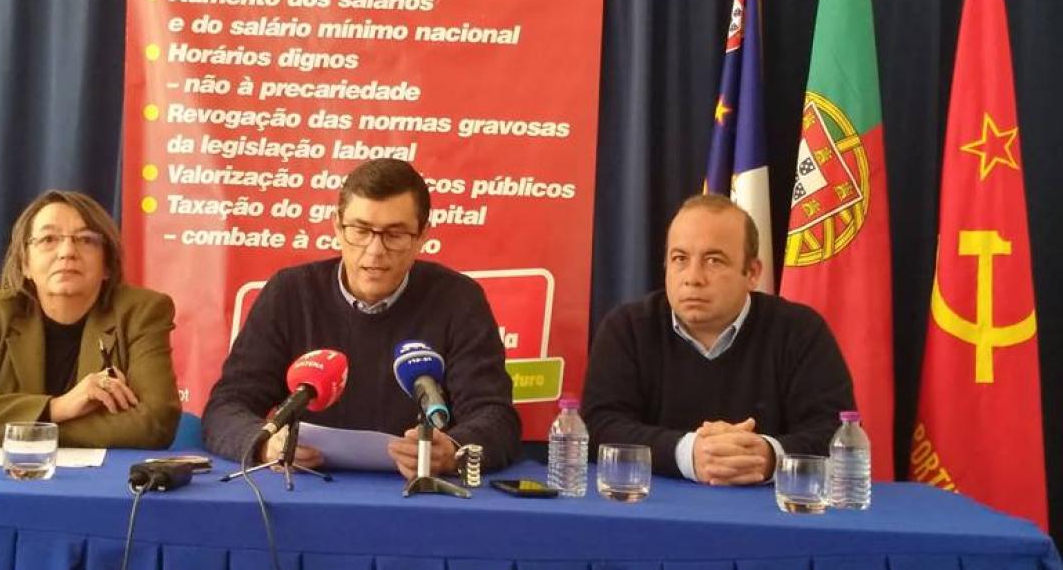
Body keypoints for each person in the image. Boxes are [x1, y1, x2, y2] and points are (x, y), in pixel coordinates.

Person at [203, 158, 520, 478]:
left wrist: (452, 451)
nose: (375, 250)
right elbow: (226, 407)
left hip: (417, 493)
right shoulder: (290, 293)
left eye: (395, 234)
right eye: (360, 230)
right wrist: (265, 444)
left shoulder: (458, 300)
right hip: (306, 488)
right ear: (337, 227)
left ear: (422, 235)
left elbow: (495, 417)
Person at [582, 194, 854, 485]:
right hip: (655, 505)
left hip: (768, 508)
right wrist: (689, 453)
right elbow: (599, 427)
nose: (693, 278)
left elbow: (838, 434)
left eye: (713, 261)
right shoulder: (627, 329)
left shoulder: (800, 331)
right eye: (680, 259)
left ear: (752, 273)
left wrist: (768, 456)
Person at [0, 190, 181, 448]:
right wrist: (57, 408)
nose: (67, 252)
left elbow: (156, 423)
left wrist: (34, 430)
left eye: (86, 239)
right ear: (25, 264)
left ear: (107, 265)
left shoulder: (141, 312)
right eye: (49, 239)